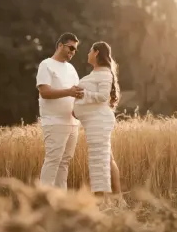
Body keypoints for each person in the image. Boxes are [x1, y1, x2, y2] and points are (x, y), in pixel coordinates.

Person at [73, 41, 123, 199]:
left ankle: (106, 200)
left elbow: (102, 97)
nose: (87, 54)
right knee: (106, 157)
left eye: (89, 51)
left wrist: (83, 95)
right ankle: (116, 199)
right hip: (93, 121)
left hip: (99, 121)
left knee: (100, 158)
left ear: (96, 53)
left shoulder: (105, 74)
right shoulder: (95, 74)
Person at [36, 32, 84, 189]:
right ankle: (44, 201)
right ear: (60, 45)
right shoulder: (46, 65)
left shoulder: (71, 68)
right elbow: (44, 92)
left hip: (72, 123)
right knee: (53, 160)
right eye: (71, 47)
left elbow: (76, 92)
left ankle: (60, 202)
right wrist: (68, 92)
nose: (73, 52)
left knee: (64, 163)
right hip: (54, 122)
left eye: (75, 50)